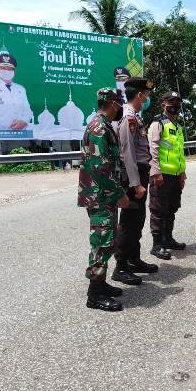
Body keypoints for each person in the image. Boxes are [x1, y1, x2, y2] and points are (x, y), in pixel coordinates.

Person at [77, 88, 130, 312]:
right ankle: (94, 294)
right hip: (101, 195)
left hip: (103, 194)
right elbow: (100, 168)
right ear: (111, 104)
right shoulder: (99, 128)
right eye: (118, 104)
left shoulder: (103, 125)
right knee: (102, 242)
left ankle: (101, 283)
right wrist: (119, 194)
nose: (120, 108)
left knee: (107, 239)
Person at [112, 77, 158, 285]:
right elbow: (127, 153)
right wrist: (135, 183)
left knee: (138, 220)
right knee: (129, 222)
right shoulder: (129, 119)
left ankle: (133, 259)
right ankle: (120, 267)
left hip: (140, 172)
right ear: (139, 95)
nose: (147, 98)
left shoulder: (136, 118)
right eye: (146, 95)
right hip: (134, 175)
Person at [148, 91, 187, 260]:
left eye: (177, 103)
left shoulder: (177, 126)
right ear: (163, 104)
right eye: (172, 104)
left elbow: (179, 152)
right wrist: (156, 172)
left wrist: (182, 173)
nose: (175, 107)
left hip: (175, 175)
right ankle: (157, 245)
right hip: (161, 175)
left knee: (171, 208)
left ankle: (168, 239)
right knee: (158, 210)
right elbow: (153, 149)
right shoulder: (158, 124)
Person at [0, 52, 33, 132]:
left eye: (9, 69)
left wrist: (24, 122)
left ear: (14, 71)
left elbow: (27, 109)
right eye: (3, 68)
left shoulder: (20, 88)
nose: (6, 71)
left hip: (21, 132)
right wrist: (10, 124)